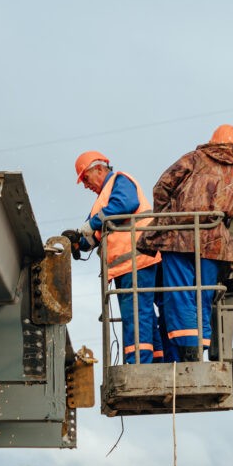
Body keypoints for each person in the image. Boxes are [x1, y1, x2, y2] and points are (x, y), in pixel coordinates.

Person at [139, 125, 233, 362]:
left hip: (178, 237)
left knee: (180, 294)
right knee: (203, 296)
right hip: (213, 241)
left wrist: (167, 217)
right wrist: (221, 215)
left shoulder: (193, 159)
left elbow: (162, 187)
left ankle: (187, 352)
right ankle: (199, 352)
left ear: (212, 142)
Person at [63, 151, 163, 363]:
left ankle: (138, 366)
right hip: (128, 265)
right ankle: (154, 362)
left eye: (86, 178)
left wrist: (90, 225)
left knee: (136, 316)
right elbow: (94, 237)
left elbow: (126, 205)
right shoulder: (103, 202)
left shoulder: (119, 181)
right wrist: (77, 242)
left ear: (99, 169)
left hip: (136, 260)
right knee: (141, 315)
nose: (85, 185)